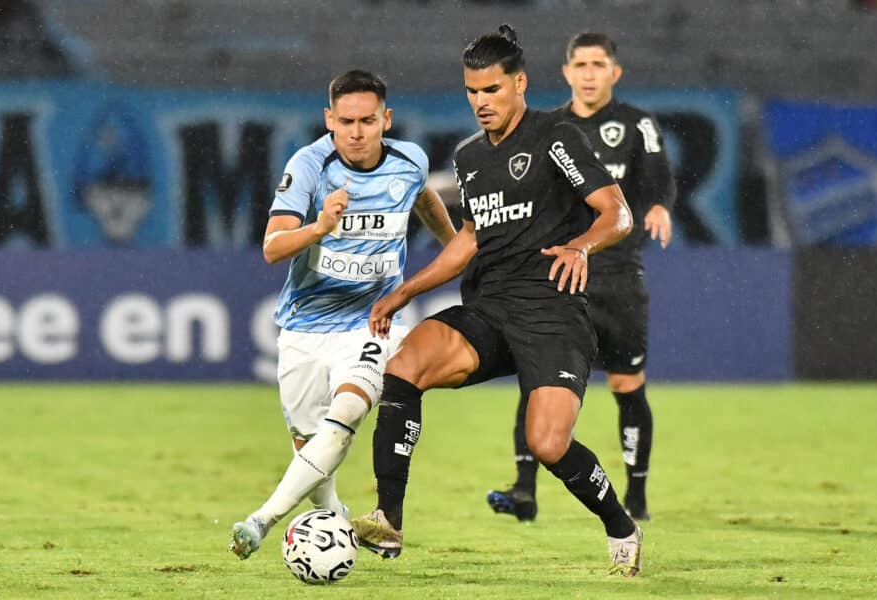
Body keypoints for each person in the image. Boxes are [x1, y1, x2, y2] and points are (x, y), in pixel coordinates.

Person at [351, 25, 645, 577]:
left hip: (553, 313)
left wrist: (581, 246)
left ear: (519, 84)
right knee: (406, 364)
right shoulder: (468, 158)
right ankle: (388, 520)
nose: (480, 102)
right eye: (471, 91)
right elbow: (469, 239)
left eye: (491, 90)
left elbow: (618, 213)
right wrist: (406, 291)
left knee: (548, 443)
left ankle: (620, 525)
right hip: (489, 309)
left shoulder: (556, 136)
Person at [228, 70, 455, 560]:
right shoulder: (309, 166)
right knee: (314, 451)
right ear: (329, 119)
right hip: (305, 328)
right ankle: (338, 527)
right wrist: (321, 227)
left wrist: (456, 247)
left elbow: (424, 199)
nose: (356, 132)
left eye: (367, 121)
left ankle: (261, 520)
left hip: (372, 320)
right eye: (345, 121)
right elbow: (272, 248)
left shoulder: (409, 160)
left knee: (347, 412)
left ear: (385, 119)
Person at [487, 32, 676, 523]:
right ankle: (525, 491)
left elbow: (657, 176)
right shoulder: (550, 127)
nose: (589, 73)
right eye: (581, 65)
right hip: (564, 275)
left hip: (618, 277)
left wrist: (657, 204)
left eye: (599, 64)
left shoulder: (637, 124)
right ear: (567, 73)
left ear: (615, 72)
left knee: (627, 384)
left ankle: (636, 495)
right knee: (537, 382)